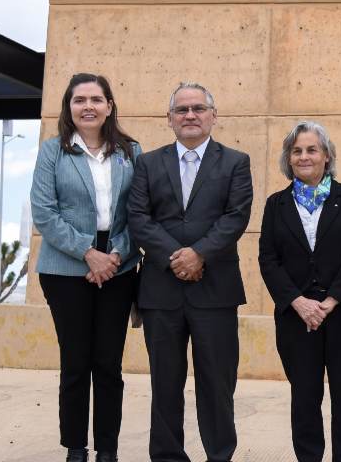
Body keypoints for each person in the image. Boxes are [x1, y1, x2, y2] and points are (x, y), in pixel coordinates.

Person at [127, 82, 253, 462]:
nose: (190, 115)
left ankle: (219, 454)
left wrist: (199, 255)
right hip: (160, 291)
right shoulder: (147, 163)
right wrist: (175, 257)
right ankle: (167, 455)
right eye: (182, 110)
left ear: (213, 116)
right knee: (165, 382)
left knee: (217, 382)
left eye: (199, 108)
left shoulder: (236, 162)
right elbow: (138, 217)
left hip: (215, 289)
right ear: (169, 119)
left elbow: (236, 217)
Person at [31, 72, 141, 462]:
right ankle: (75, 448)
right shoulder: (53, 152)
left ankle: (107, 450)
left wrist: (115, 254)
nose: (88, 106)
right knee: (76, 362)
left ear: (110, 106)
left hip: (119, 265)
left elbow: (138, 213)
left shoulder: (132, 151)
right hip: (64, 268)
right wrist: (87, 253)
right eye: (80, 100)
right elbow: (44, 213)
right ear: (69, 107)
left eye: (96, 99)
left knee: (108, 364)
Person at [259, 121, 341, 462]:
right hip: (296, 318)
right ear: (288, 159)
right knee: (304, 398)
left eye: (312, 149)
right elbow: (268, 259)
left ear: (327, 156)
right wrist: (298, 302)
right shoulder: (275, 204)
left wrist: (329, 302)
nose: (304, 156)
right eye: (297, 151)